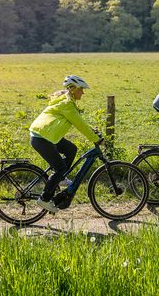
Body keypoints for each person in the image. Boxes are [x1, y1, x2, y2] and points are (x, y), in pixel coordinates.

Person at [29, 75, 102, 213]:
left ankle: (60, 178)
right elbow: (80, 124)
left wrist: (93, 132)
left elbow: (80, 121)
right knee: (61, 168)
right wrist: (95, 139)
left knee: (71, 149)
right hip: (42, 138)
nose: (83, 92)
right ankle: (44, 199)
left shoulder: (66, 102)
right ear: (74, 90)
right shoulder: (67, 104)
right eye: (81, 89)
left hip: (47, 136)